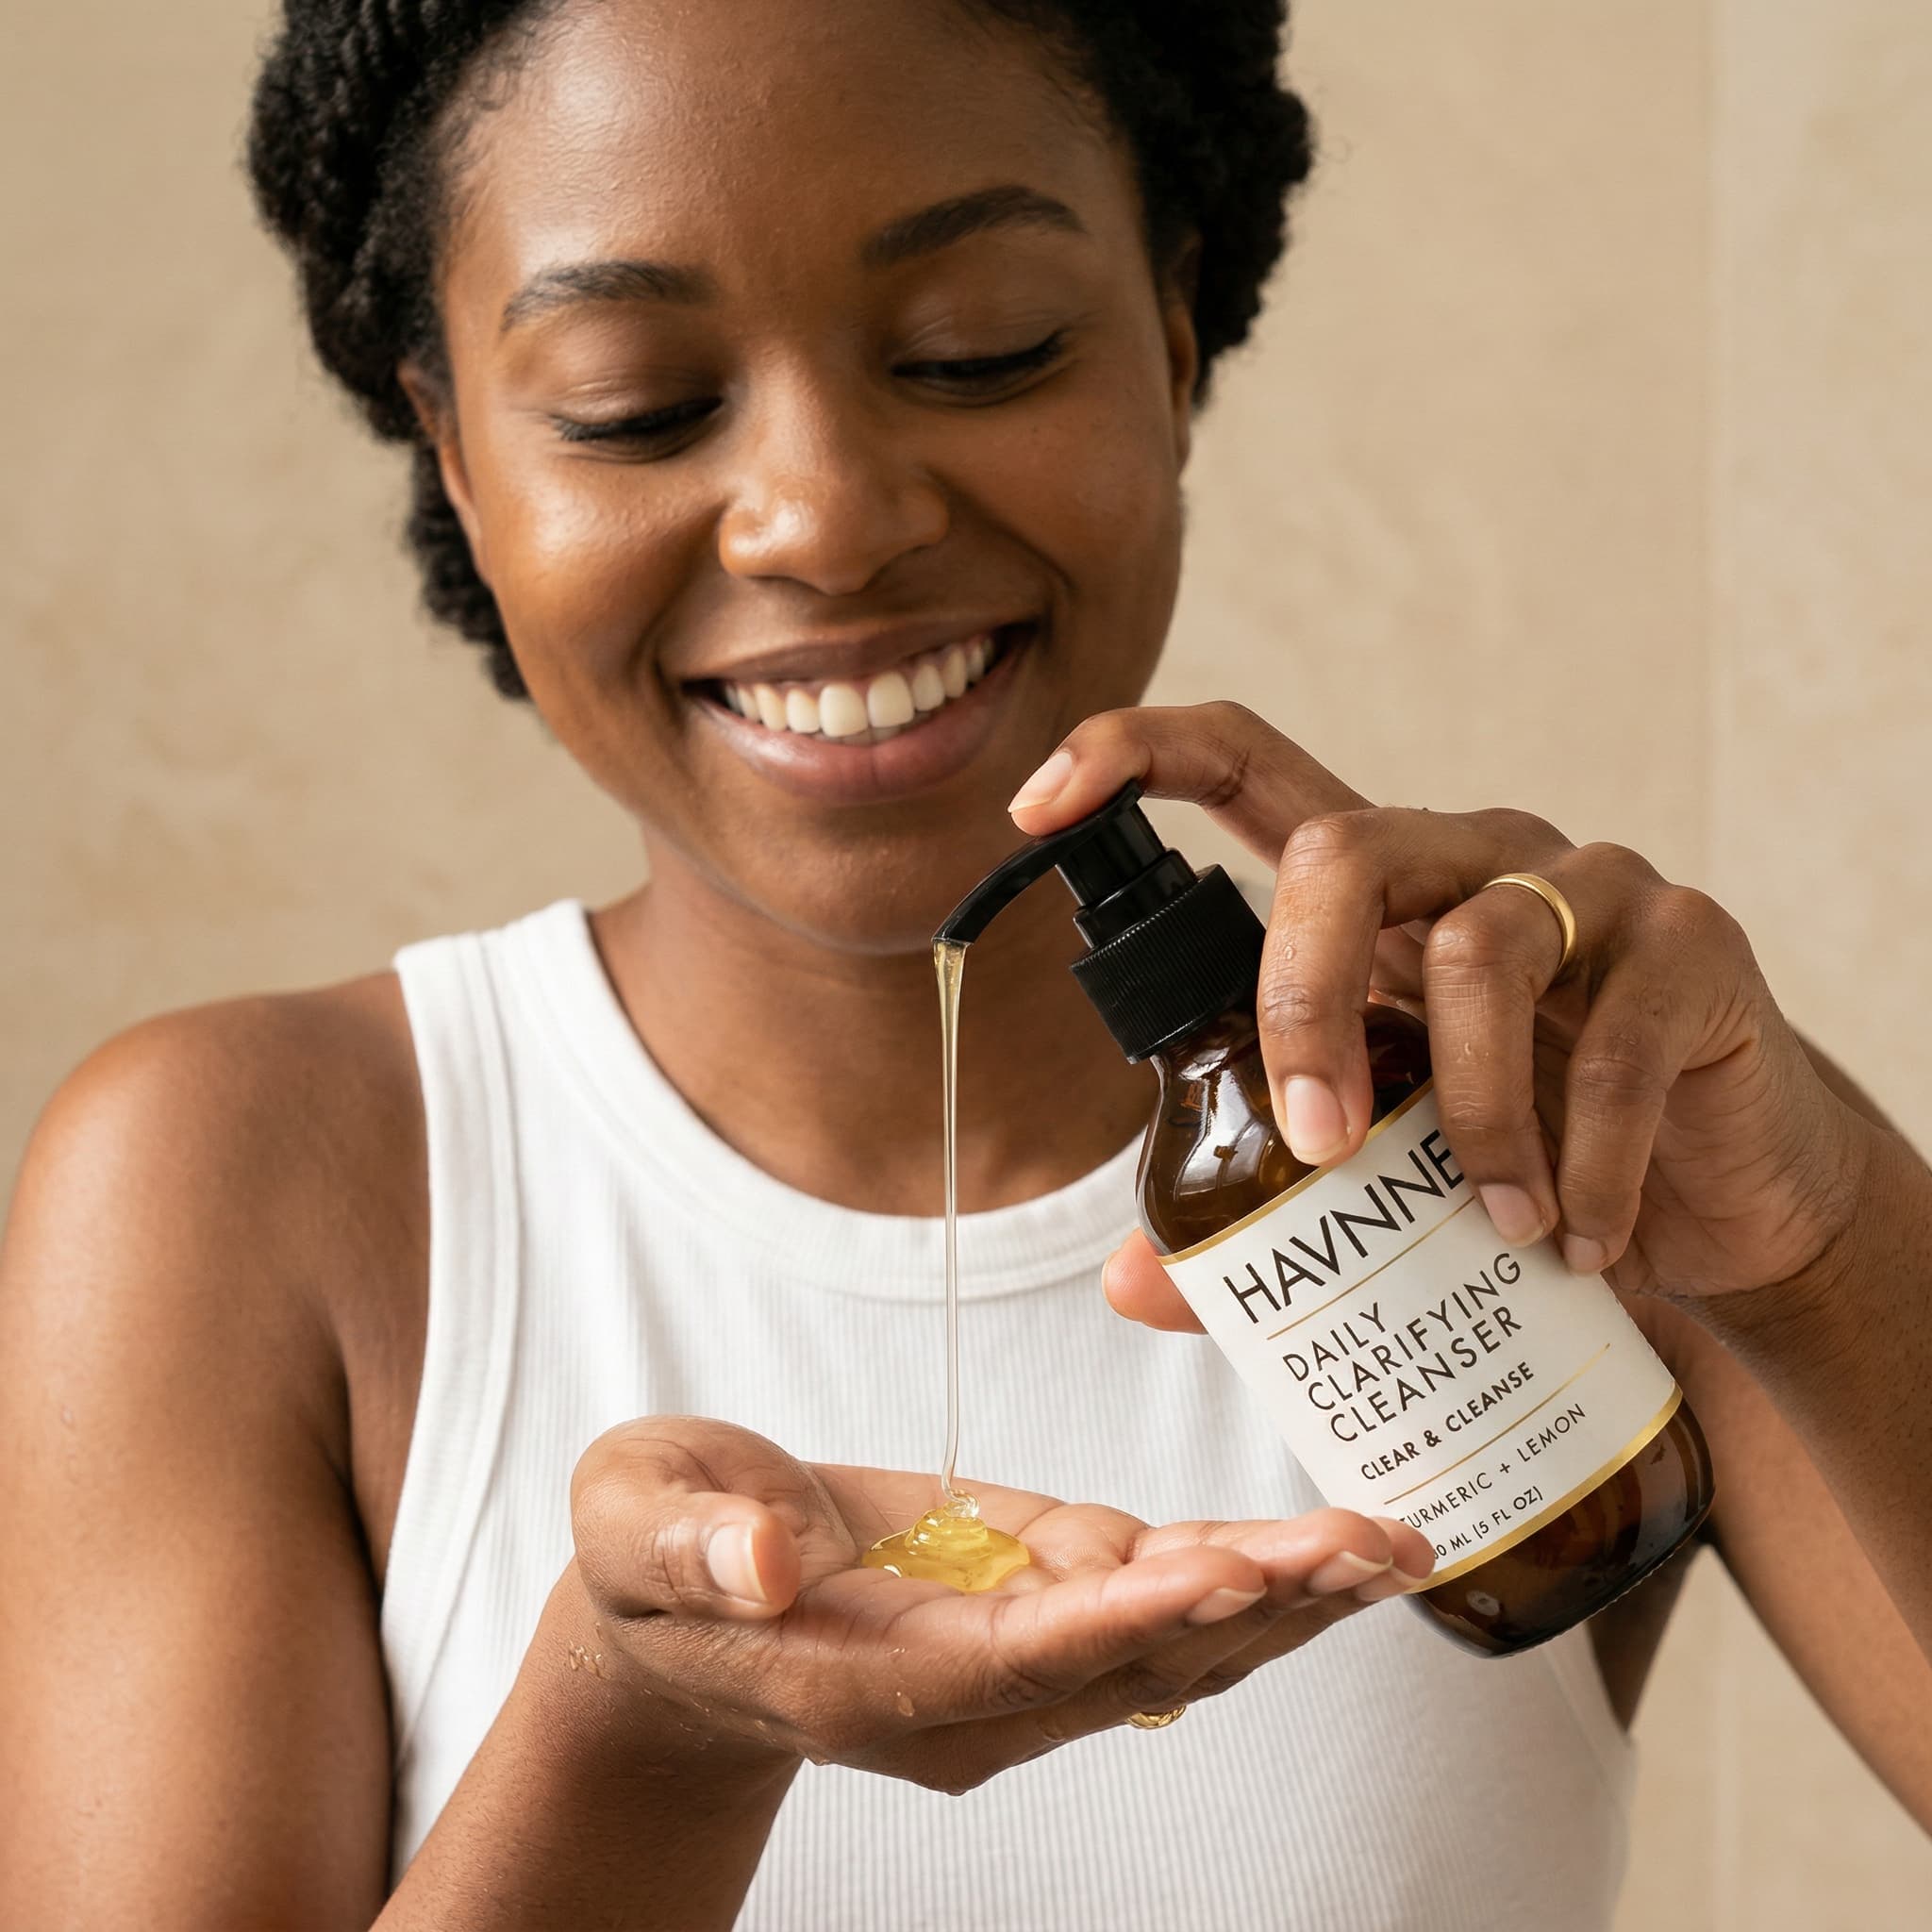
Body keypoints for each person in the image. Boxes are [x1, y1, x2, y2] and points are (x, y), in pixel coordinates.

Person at [2, 2, 1927, 1926]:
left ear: (1172, 338)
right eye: (632, 401)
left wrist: (1819, 1249)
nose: (827, 519)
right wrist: (642, 1726)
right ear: (456, 450)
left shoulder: (1550, 1110)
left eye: (975, 348)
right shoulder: (244, 1183)